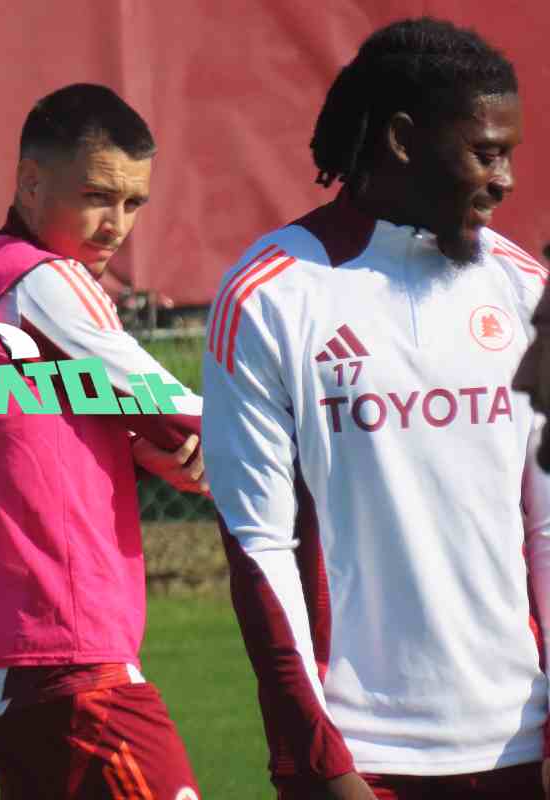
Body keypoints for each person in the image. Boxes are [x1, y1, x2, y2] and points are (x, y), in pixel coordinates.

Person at [203, 17, 550, 799]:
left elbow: (548, 526)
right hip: (359, 758)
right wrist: (321, 759)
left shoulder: (525, 290)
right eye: (486, 152)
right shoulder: (272, 293)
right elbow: (259, 545)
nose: (506, 179)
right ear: (401, 139)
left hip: (522, 746)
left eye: (510, 155)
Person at [0, 83, 206, 799]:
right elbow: (174, 410)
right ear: (29, 181)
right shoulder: (42, 279)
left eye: (134, 203)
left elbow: (44, 442)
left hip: (15, 658)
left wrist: (142, 454)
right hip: (62, 656)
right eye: (98, 196)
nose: (116, 225)